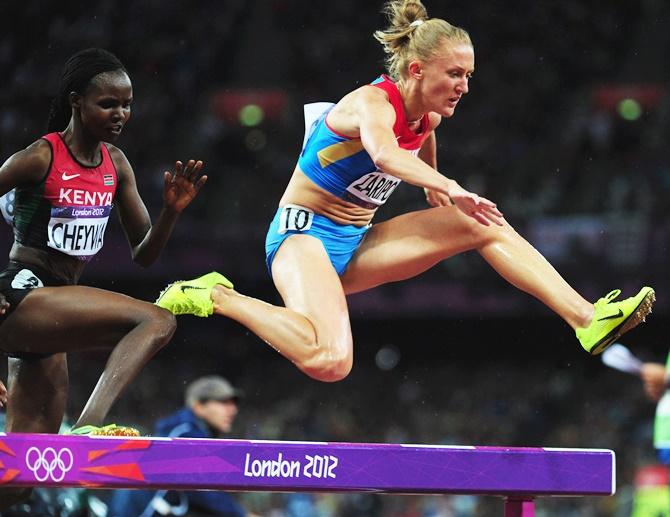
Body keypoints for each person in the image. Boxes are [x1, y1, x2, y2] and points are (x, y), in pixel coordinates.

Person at [156, 0, 654, 383]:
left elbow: (422, 134)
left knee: (480, 223)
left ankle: (587, 318)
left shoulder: (429, 112)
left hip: (354, 243)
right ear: (416, 71)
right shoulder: (371, 103)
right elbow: (386, 156)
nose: (464, 86)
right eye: (454, 74)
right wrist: (447, 185)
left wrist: (436, 189)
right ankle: (217, 295)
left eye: (469, 76)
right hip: (301, 238)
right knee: (330, 361)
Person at [0, 47, 206, 510]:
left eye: (127, 104)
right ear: (77, 102)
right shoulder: (39, 156)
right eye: (108, 104)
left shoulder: (117, 164)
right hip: (22, 293)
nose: (120, 114)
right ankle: (91, 426)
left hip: (52, 317)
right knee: (156, 321)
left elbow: (144, 255)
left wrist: (171, 213)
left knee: (21, 478)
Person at [107, 375, 250, 517]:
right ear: (199, 407)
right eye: (223, 402)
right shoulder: (183, 436)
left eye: (233, 403)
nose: (233, 410)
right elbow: (200, 490)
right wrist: (242, 514)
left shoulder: (180, 431)